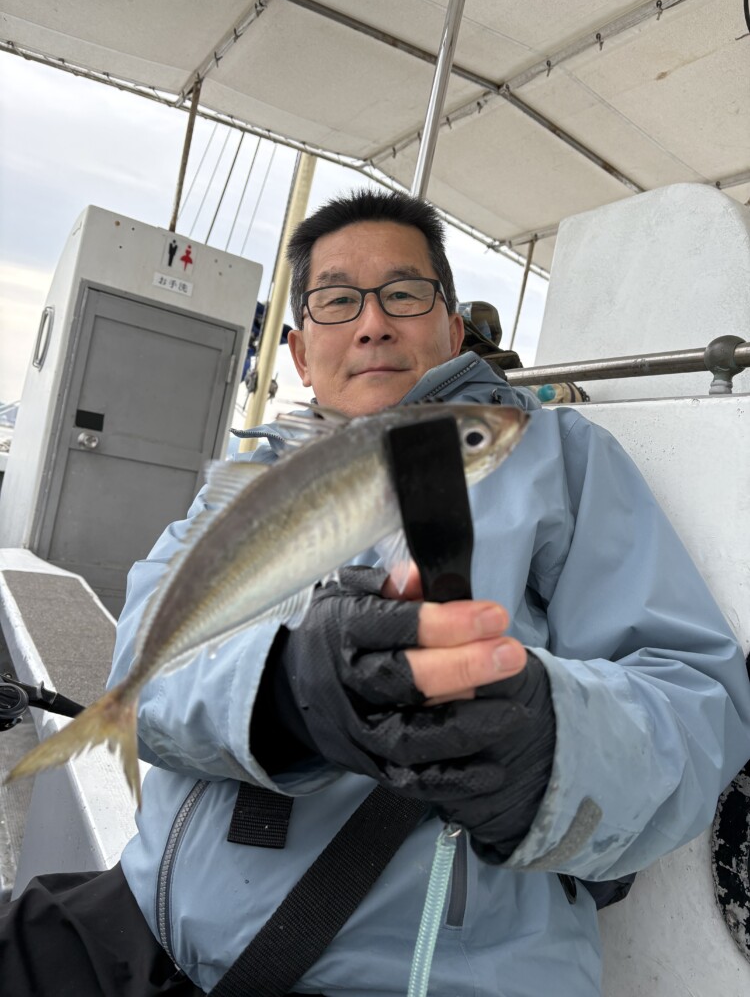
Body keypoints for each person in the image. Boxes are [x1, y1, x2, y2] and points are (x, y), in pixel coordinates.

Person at [3, 190, 750, 997]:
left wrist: (549, 746)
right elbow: (143, 664)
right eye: (336, 300)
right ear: (297, 350)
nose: (372, 324)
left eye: (404, 293)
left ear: (452, 326)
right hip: (146, 918)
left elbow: (696, 696)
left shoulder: (557, 453)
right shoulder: (255, 472)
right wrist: (282, 692)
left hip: (419, 974)